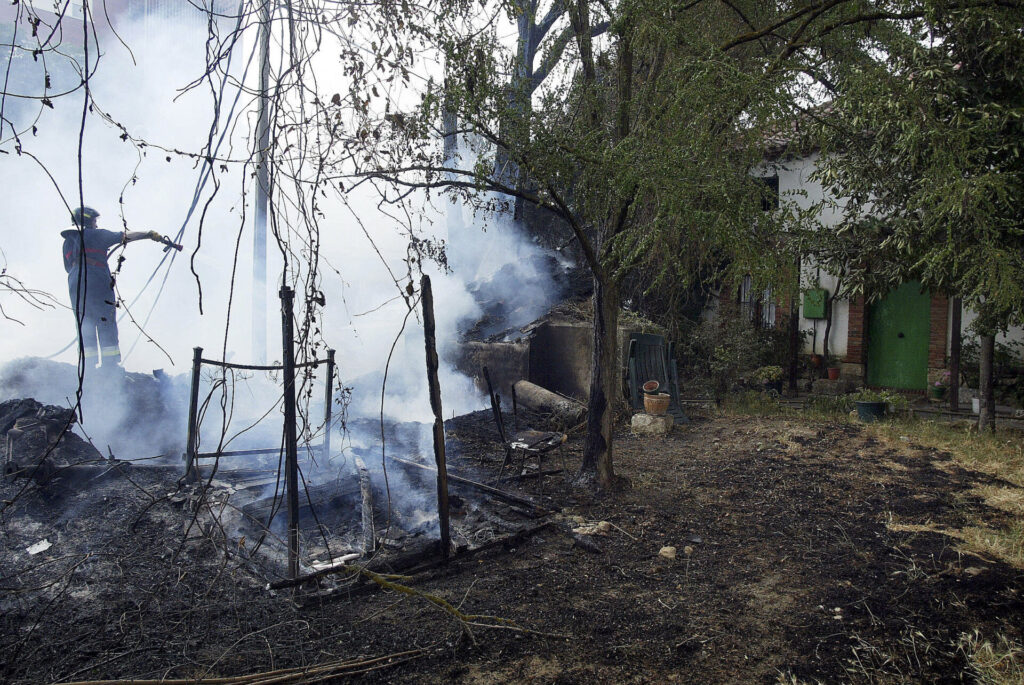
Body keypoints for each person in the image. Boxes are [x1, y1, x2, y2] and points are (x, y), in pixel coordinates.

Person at [60, 206, 168, 369]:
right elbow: (125, 236)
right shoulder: (96, 235)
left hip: (75, 282)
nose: (96, 225)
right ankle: (109, 365)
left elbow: (68, 267)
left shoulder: (67, 242)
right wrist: (149, 234)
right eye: (95, 221)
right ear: (88, 221)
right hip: (96, 280)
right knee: (105, 319)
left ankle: (88, 366)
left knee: (84, 322)